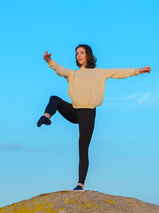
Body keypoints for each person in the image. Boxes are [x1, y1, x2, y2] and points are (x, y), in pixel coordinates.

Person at [37, 44, 151, 191]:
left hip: (88, 113)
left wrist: (138, 71)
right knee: (54, 99)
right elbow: (60, 70)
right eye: (77, 53)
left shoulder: (99, 72)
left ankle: (80, 184)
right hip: (74, 110)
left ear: (88, 55)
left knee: (83, 148)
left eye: (82, 53)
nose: (79, 55)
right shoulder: (73, 74)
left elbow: (119, 72)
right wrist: (49, 61)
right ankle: (46, 116)